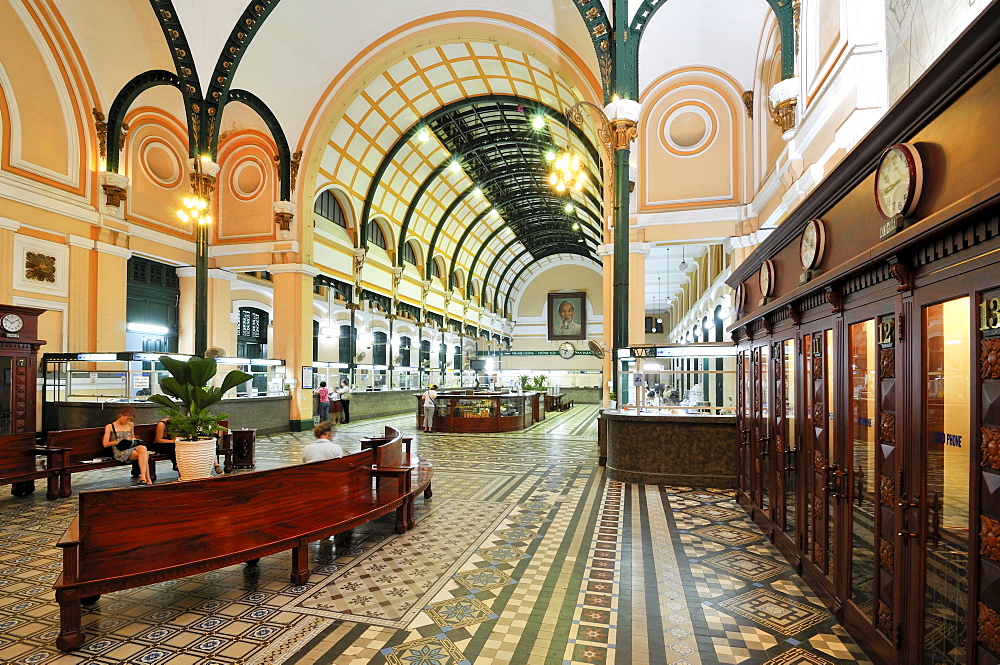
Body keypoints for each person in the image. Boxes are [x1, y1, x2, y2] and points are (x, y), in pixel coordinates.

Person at [103, 406, 153, 485]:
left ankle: (143, 477)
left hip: (131, 447)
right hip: (120, 451)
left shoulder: (130, 425)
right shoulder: (110, 426)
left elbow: (133, 437)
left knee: (143, 449)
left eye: (130, 419)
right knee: (144, 455)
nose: (128, 421)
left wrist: (132, 439)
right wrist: (121, 441)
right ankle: (147, 479)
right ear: (121, 415)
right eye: (127, 418)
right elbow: (105, 444)